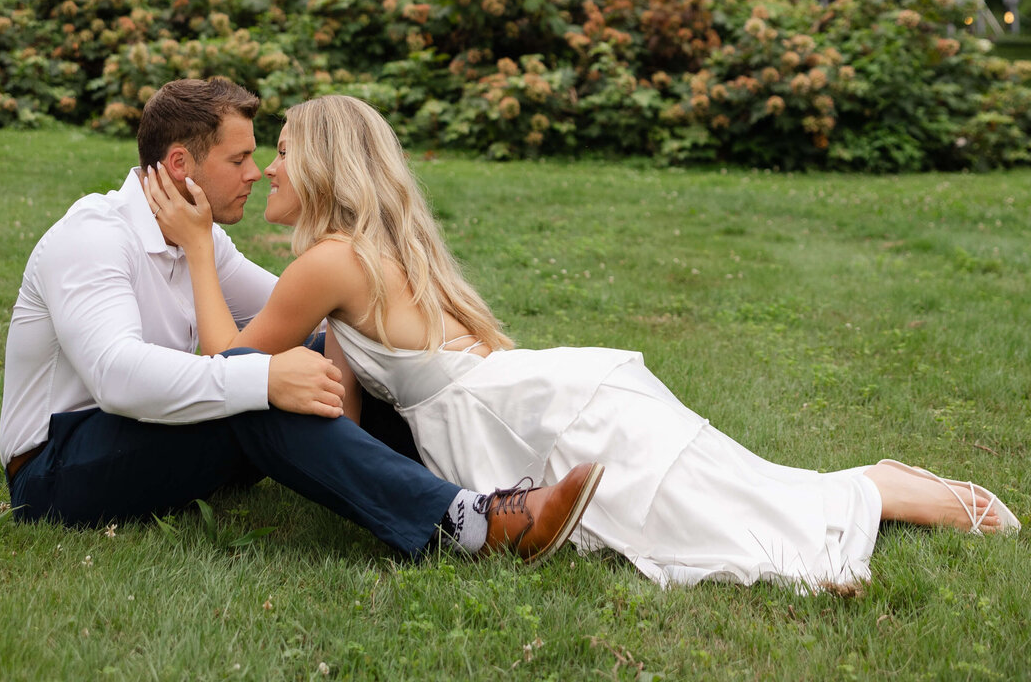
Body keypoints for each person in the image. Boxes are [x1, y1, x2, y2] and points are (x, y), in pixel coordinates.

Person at [144, 93, 1020, 592]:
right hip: (522, 390)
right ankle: (868, 484)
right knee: (696, 495)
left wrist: (194, 254)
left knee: (677, 521)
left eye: (285, 153)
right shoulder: (362, 253)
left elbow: (232, 366)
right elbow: (354, 389)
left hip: (503, 417)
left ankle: (875, 494)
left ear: (327, 169)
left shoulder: (325, 264)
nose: (268, 171)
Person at [0, 76, 599, 562]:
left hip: (154, 438)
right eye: (239, 159)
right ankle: (469, 525)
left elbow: (299, 311)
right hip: (58, 466)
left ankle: (486, 479)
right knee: (258, 388)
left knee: (311, 353)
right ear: (181, 164)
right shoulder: (92, 237)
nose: (256, 173)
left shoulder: (197, 234)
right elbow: (116, 377)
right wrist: (262, 380)